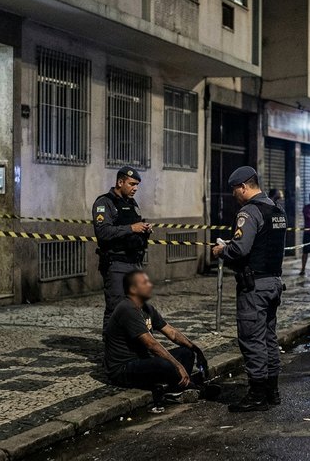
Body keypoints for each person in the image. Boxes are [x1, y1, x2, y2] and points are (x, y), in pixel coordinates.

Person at [211, 166, 287, 413]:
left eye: (235, 190)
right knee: (268, 339)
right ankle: (272, 391)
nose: (234, 195)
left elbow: (241, 249)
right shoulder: (277, 210)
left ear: (244, 186)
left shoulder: (250, 211)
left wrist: (223, 250)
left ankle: (256, 395)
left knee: (252, 340)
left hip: (254, 286)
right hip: (274, 283)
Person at [104, 270, 218, 402]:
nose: (150, 285)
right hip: (123, 369)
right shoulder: (127, 309)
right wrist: (177, 366)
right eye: (144, 283)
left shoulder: (147, 308)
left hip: (142, 362)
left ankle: (176, 390)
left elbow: (172, 333)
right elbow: (151, 345)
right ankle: (191, 388)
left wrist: (196, 349)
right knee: (165, 363)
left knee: (186, 353)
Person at [93, 167, 152, 331]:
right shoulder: (104, 203)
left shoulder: (132, 203)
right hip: (116, 264)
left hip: (134, 263)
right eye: (132, 184)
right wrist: (132, 228)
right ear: (120, 182)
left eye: (137, 185)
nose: (135, 188)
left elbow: (133, 230)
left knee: (137, 308)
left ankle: (131, 350)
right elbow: (103, 232)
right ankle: (112, 352)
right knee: (115, 309)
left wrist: (144, 231)